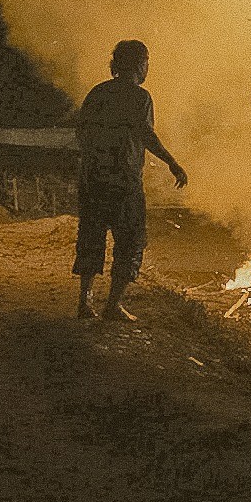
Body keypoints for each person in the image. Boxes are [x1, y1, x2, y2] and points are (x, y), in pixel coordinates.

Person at [73, 40, 187, 321]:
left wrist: (93, 161)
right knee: (132, 240)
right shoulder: (140, 97)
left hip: (93, 180)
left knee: (91, 237)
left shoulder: (98, 92)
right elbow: (146, 134)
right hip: (124, 183)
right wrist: (172, 162)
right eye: (146, 62)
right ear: (138, 64)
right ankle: (113, 305)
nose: (148, 68)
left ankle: (85, 303)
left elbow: (81, 131)